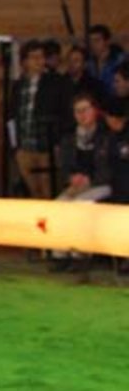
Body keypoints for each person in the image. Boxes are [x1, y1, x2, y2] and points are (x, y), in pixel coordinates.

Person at [48, 93, 115, 272]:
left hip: (101, 184)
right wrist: (71, 178)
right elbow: (65, 167)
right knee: (59, 205)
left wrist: (90, 179)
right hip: (77, 185)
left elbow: (110, 168)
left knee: (79, 205)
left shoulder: (106, 137)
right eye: (77, 111)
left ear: (95, 111)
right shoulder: (69, 139)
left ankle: (80, 255)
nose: (81, 115)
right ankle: (60, 254)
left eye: (85, 110)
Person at [7, 40, 71, 199]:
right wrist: (15, 146)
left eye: (41, 57)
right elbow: (12, 117)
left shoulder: (56, 82)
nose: (38, 61)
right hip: (24, 147)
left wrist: (58, 141)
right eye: (33, 57)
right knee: (33, 192)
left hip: (47, 146)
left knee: (49, 191)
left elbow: (66, 113)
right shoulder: (18, 85)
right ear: (24, 62)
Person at [87, 24, 125, 99]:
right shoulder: (89, 63)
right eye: (91, 41)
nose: (93, 44)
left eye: (97, 40)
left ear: (107, 41)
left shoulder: (120, 60)